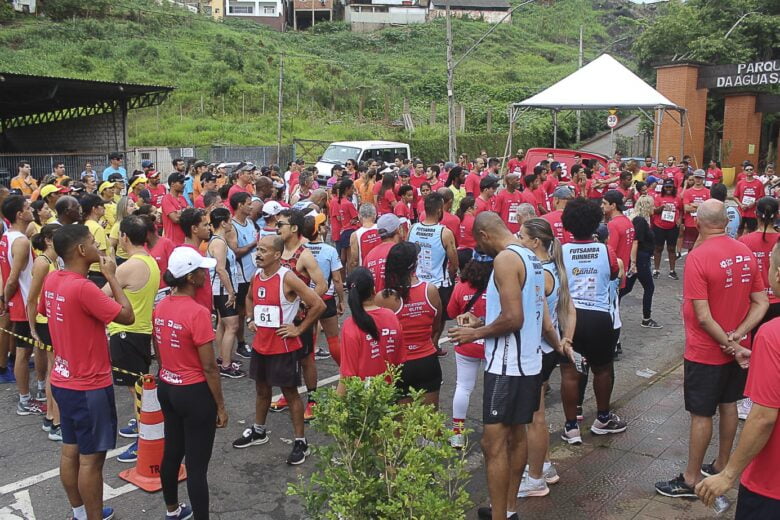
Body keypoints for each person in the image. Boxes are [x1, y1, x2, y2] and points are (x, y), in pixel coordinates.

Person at [655, 199, 767, 499]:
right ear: (726, 222)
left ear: (699, 222)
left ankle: (691, 479)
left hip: (706, 350)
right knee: (729, 403)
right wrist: (739, 338)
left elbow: (703, 316)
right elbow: (762, 302)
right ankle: (721, 463)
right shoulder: (744, 251)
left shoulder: (698, 257)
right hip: (738, 347)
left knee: (701, 413)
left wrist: (728, 342)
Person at [447, 212, 549, 520]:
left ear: (484, 235)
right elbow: (523, 310)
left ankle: (499, 515)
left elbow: (513, 319)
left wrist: (473, 333)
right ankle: (508, 510)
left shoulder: (505, 259)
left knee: (492, 444)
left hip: (507, 366)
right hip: (529, 361)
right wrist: (481, 320)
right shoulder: (529, 255)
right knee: (516, 436)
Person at [39, 224, 134, 520]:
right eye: (93, 242)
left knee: (70, 451)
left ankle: (80, 513)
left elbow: (46, 308)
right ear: (81, 250)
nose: (99, 246)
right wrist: (111, 276)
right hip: (89, 385)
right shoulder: (83, 287)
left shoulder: (53, 278)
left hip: (64, 380)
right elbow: (127, 315)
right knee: (91, 461)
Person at [695, 240, 780, 518]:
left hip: (770, 483)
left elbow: (764, 416)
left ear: (777, 275)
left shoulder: (773, 334)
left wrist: (729, 474)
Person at [232, 235, 325, 465]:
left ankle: (301, 442)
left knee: (291, 393)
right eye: (258, 250)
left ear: (276, 254)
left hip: (283, 348)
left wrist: (299, 328)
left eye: (263, 250)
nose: (259, 254)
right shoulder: (256, 275)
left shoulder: (288, 278)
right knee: (262, 391)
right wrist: (251, 319)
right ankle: (259, 430)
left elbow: (318, 304)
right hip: (261, 346)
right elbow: (250, 298)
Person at [155, 247, 227, 520]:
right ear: (191, 278)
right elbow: (209, 367)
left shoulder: (161, 305)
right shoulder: (197, 313)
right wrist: (220, 406)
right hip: (194, 393)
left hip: (168, 386)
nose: (206, 274)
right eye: (201, 271)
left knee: (172, 452)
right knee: (197, 467)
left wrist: (168, 371)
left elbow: (158, 346)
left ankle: (172, 510)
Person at [516, 218, 577, 498]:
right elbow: (569, 309)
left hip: (539, 350)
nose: (517, 240)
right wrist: (566, 342)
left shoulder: (538, 272)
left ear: (535, 242)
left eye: (521, 236)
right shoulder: (556, 267)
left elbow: (546, 324)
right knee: (536, 415)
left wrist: (560, 342)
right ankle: (547, 466)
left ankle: (536, 478)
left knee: (535, 418)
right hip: (549, 350)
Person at [560, 198, 625, 444]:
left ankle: (570, 428)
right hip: (600, 316)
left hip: (570, 318)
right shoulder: (606, 250)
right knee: (603, 368)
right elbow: (614, 272)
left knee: (569, 372)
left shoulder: (561, 250)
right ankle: (603, 418)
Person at [103, 215, 161, 464]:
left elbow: (100, 297)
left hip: (127, 333)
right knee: (138, 388)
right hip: (140, 331)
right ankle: (143, 429)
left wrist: (109, 274)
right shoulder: (149, 261)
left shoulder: (129, 266)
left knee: (137, 391)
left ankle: (144, 439)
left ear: (124, 237)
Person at [269, 209, 327, 420]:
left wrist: (304, 302)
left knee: (306, 359)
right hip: (279, 318)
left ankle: (313, 400)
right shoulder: (276, 251)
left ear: (294, 228)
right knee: (285, 359)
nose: (277, 229)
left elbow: (322, 284)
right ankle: (289, 393)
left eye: (280, 225)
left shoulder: (304, 255)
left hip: (299, 319)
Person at [375, 242, 443, 407]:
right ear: (414, 264)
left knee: (399, 427)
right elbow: (436, 326)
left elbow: (378, 334)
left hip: (398, 365)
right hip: (427, 361)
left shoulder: (384, 297)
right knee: (431, 425)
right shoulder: (430, 290)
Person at [447, 250, 493, 449]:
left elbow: (451, 312)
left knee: (463, 387)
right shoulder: (498, 285)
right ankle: (494, 433)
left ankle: (457, 434)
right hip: (492, 342)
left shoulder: (461, 286)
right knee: (492, 389)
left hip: (466, 344)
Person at [337, 267, 405, 392]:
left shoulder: (350, 325)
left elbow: (347, 375)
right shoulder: (391, 316)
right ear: (374, 290)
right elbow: (399, 359)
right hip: (390, 392)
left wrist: (335, 408)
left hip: (363, 398)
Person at [1, 196, 39, 415]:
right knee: (23, 354)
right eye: (27, 208)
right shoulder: (22, 241)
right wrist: (6, 300)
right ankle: (25, 400)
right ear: (18, 214)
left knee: (21, 353)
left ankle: (26, 397)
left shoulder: (7, 236)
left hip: (20, 302)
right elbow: (13, 278)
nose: (31, 209)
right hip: (24, 303)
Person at [408, 192, 458, 352]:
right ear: (439, 210)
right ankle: (432, 346)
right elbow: (454, 263)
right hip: (438, 284)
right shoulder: (445, 233)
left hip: (416, 282)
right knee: (439, 318)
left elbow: (408, 253)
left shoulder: (413, 228)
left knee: (417, 317)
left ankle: (420, 346)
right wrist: (450, 276)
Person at [27, 224, 62, 440]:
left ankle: (51, 416)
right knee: (55, 371)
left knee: (53, 369)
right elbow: (31, 298)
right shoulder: (42, 262)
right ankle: (56, 422)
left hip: (52, 320)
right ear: (48, 240)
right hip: (44, 321)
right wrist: (32, 328)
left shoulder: (55, 261)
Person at [303, 214, 345, 363]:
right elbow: (337, 279)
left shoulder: (301, 250)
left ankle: (309, 368)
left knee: (309, 337)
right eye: (322, 224)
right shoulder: (329, 250)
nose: (325, 225)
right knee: (333, 339)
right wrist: (341, 300)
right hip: (326, 299)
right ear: (318, 230)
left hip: (306, 299)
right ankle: (345, 373)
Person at [207, 208, 242, 379]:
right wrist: (231, 292)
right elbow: (221, 269)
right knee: (232, 325)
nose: (231, 224)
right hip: (222, 289)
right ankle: (226, 365)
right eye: (229, 220)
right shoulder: (219, 243)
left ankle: (223, 358)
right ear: (223, 223)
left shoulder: (218, 240)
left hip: (220, 289)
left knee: (222, 324)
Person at [620, 195, 662, 329]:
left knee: (626, 288)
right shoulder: (640, 221)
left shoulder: (641, 220)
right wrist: (633, 263)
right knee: (649, 287)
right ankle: (646, 318)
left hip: (640, 258)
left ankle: (611, 306)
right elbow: (635, 241)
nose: (654, 208)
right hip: (640, 259)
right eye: (652, 205)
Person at [228, 192, 258, 360]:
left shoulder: (250, 222)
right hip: (242, 277)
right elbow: (235, 252)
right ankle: (240, 343)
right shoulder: (232, 226)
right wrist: (254, 244)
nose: (251, 206)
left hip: (254, 273)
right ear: (239, 205)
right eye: (248, 203)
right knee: (241, 311)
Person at [364, 213, 403, 293]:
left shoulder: (369, 256)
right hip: (398, 303)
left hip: (378, 303)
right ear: (398, 230)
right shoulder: (402, 252)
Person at [652, 179, 682, 279]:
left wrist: (679, 220)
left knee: (671, 248)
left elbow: (681, 210)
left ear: (673, 187)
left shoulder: (677, 198)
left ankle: (672, 271)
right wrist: (661, 207)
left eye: (670, 187)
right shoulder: (658, 197)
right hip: (659, 225)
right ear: (663, 187)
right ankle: (656, 270)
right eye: (666, 187)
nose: (668, 189)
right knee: (658, 248)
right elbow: (654, 211)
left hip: (672, 227)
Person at [681, 169, 710, 251]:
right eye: (696, 177)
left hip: (703, 224)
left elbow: (708, 208)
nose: (698, 180)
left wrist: (694, 205)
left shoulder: (708, 192)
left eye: (700, 178)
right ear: (693, 178)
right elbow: (686, 208)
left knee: (703, 248)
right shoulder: (688, 192)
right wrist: (702, 206)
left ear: (703, 179)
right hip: (690, 224)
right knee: (691, 249)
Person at [349, 203, 380, 271]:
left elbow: (354, 260)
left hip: (365, 273)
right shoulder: (382, 229)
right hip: (382, 269)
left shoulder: (355, 235)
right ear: (375, 215)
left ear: (359, 216)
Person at [161, 172, 188, 246]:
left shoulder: (182, 198)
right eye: (181, 182)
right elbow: (175, 218)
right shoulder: (166, 198)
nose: (183, 184)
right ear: (172, 184)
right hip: (172, 242)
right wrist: (185, 212)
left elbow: (191, 214)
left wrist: (180, 212)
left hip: (184, 240)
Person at [108, 197, 137, 265]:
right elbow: (110, 246)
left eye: (134, 205)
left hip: (136, 258)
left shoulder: (137, 223)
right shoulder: (118, 225)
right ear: (123, 208)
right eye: (131, 206)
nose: (135, 207)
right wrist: (114, 263)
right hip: (122, 260)